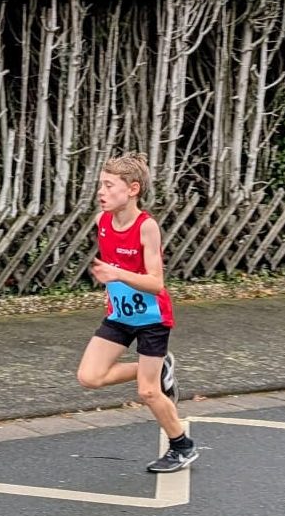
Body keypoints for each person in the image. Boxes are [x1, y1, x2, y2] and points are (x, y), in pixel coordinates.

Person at [75, 151, 199, 473]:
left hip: (152, 318)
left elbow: (156, 283)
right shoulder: (102, 221)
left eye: (109, 185)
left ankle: (182, 447)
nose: (101, 192)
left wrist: (116, 273)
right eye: (101, 185)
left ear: (132, 189)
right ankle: (161, 365)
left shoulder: (147, 227)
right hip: (120, 315)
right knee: (89, 377)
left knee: (148, 390)